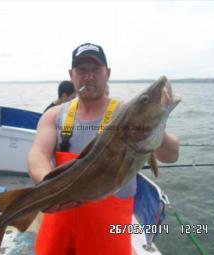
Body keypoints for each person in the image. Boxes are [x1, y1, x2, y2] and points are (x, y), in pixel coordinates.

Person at [28, 43, 180, 255]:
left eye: (95, 69)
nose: (88, 76)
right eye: (82, 70)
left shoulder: (127, 112)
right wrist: (50, 187)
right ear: (71, 75)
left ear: (107, 74)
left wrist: (153, 125)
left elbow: (170, 155)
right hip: (57, 219)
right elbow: (38, 155)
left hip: (108, 233)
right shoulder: (54, 115)